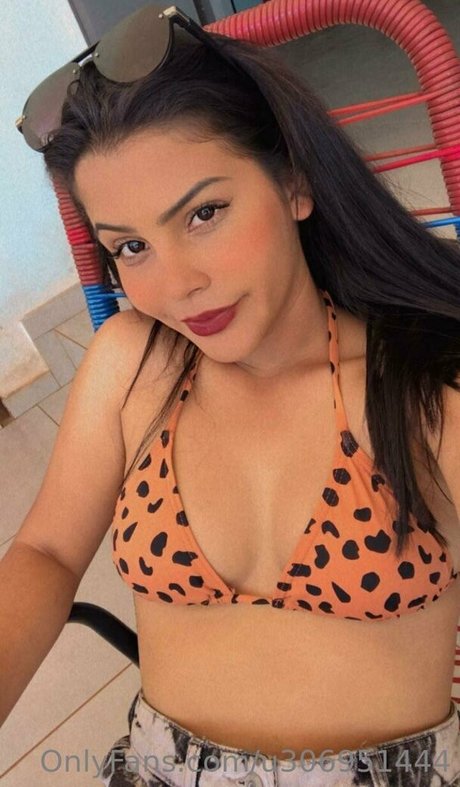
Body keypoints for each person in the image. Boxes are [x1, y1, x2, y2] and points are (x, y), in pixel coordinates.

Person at [4, 3, 460, 785]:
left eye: (204, 213)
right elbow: (46, 551)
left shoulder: (422, 386)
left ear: (294, 183)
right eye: (132, 246)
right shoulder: (134, 362)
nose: (176, 285)